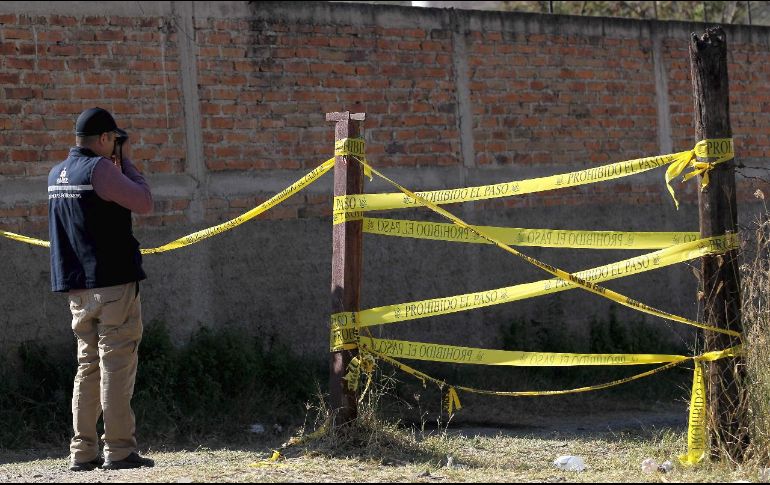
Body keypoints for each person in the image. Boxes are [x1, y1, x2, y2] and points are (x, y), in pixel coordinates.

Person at [48, 107, 155, 471]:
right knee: (116, 365)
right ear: (106, 138)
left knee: (87, 366)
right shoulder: (101, 170)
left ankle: (82, 451)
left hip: (77, 288)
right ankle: (120, 449)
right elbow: (144, 201)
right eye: (115, 140)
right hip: (112, 284)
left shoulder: (57, 174)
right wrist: (127, 163)